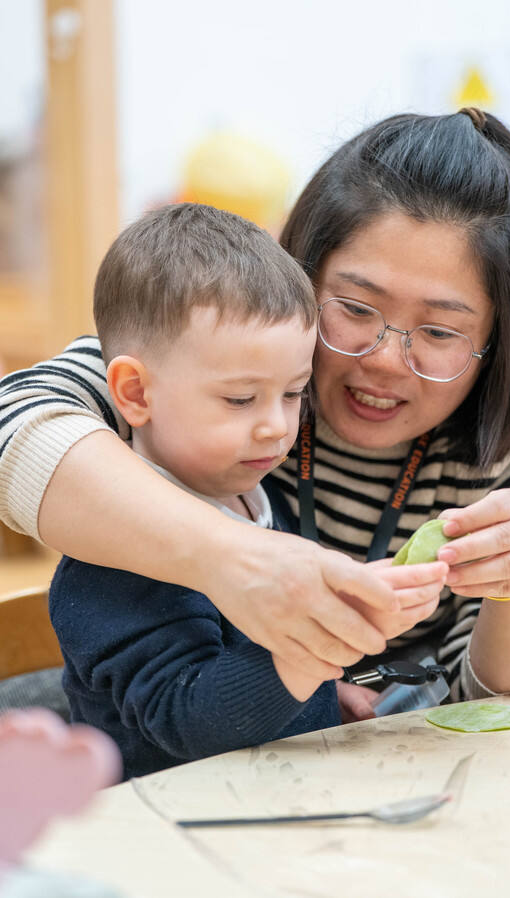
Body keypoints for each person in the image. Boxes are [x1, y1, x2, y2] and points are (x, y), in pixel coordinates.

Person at [1, 109, 510, 716]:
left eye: (441, 331)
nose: (387, 360)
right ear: (301, 280)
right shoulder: (221, 351)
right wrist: (236, 561)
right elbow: (16, 428)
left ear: (499, 337)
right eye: (356, 309)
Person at [49, 204, 423, 778]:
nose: (277, 426)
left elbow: (253, 677)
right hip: (157, 839)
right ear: (136, 393)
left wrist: (323, 697)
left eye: (294, 393)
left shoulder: (253, 498)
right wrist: (312, 656)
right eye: (241, 399)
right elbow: (190, 723)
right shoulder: (112, 566)